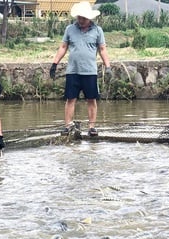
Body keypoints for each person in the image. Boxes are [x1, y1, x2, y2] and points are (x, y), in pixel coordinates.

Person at [49, 1, 112, 137]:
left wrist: (108, 67)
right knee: (70, 99)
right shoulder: (69, 29)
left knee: (91, 99)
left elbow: (102, 49)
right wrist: (54, 63)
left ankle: (92, 127)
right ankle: (68, 126)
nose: (81, 20)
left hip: (90, 71)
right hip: (73, 71)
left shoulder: (97, 30)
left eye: (83, 18)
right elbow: (63, 47)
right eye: (79, 17)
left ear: (89, 18)